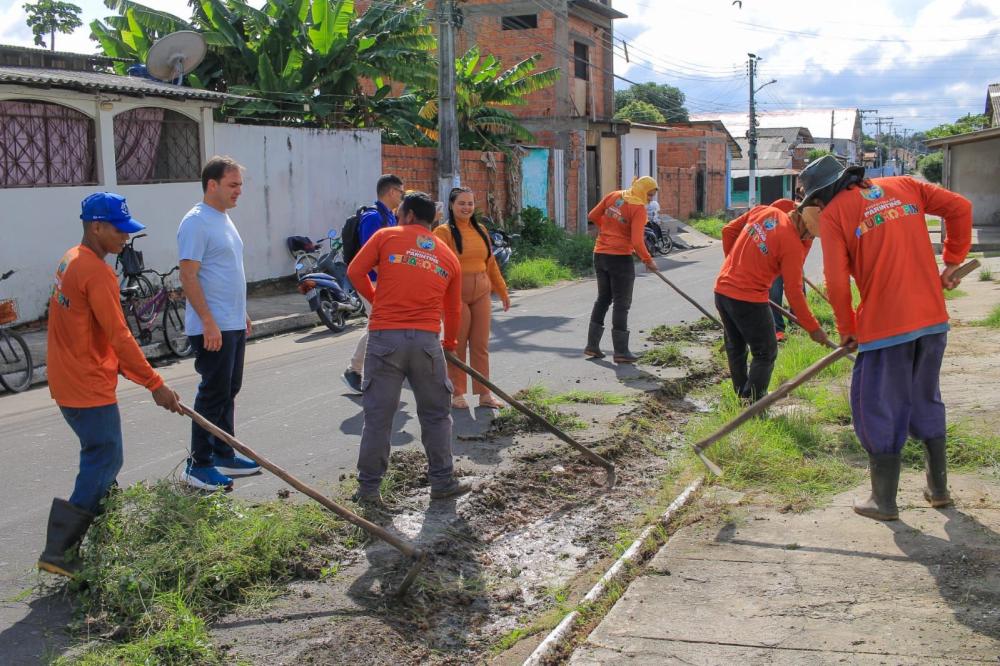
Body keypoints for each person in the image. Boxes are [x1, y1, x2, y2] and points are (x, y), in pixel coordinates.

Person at [798, 155, 972, 521]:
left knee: (876, 405)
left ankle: (884, 500)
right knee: (925, 397)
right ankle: (938, 489)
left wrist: (847, 329)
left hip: (885, 328)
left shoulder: (833, 216)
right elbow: (959, 207)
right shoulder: (905, 186)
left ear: (819, 197)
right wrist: (952, 259)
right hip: (932, 320)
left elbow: (836, 281)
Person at [38, 193, 183, 577]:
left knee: (101, 457)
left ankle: (108, 538)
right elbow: (119, 336)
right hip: (86, 383)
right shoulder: (96, 272)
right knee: (105, 457)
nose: (126, 238)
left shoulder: (71, 258)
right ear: (96, 226)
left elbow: (88, 329)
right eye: (120, 230)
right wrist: (155, 384)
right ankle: (60, 551)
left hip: (67, 376)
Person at [346, 191, 470, 505]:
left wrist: (377, 300)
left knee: (378, 416)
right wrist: (449, 343)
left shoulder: (386, 236)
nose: (397, 216)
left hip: (385, 339)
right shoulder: (446, 255)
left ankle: (369, 490)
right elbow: (452, 311)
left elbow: (354, 272)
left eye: (400, 211)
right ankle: (442, 480)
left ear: (410, 215)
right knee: (436, 415)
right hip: (427, 343)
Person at [177, 156, 260, 491]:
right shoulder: (196, 222)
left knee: (229, 390)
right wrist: (208, 321)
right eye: (233, 185)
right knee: (212, 393)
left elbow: (225, 272)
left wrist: (240, 314)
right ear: (212, 185)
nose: (239, 191)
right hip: (212, 325)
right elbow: (188, 275)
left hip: (231, 322)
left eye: (240, 184)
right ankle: (199, 464)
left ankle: (224, 452)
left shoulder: (223, 218)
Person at [715, 198, 829, 404]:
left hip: (722, 290)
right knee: (766, 352)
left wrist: (734, 266)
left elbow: (728, 231)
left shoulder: (764, 211)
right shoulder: (793, 244)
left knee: (736, 347)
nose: (811, 238)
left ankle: (742, 396)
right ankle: (755, 404)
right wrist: (813, 328)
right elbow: (794, 292)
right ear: (805, 224)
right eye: (812, 234)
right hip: (749, 299)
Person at [433, 187, 510, 410]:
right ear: (451, 205)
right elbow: (437, 267)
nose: (466, 207)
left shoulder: (482, 230)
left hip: (481, 293)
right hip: (454, 296)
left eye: (470, 203)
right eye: (461, 203)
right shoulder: (443, 232)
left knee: (480, 345)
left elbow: (491, 264)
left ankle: (485, 394)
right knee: (456, 346)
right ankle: (457, 393)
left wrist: (502, 291)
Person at [585, 176, 659, 363]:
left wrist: (608, 231)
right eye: (649, 195)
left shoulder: (614, 196)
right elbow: (636, 241)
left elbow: (592, 215)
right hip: (619, 259)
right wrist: (648, 260)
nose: (650, 199)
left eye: (652, 195)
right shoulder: (638, 210)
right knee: (621, 303)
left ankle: (592, 346)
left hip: (600, 254)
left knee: (603, 299)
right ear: (641, 190)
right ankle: (621, 352)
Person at [343, 174, 404, 393]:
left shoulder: (389, 217)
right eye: (401, 192)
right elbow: (371, 255)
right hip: (371, 280)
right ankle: (354, 369)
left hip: (383, 281)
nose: (402, 196)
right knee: (379, 325)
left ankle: (365, 370)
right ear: (391, 192)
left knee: (379, 325)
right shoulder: (373, 218)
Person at [766, 198, 812, 342]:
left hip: (794, 259)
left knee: (798, 290)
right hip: (774, 259)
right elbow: (768, 222)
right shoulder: (781, 205)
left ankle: (798, 324)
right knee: (774, 292)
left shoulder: (812, 220)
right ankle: (777, 328)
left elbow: (806, 246)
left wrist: (794, 266)